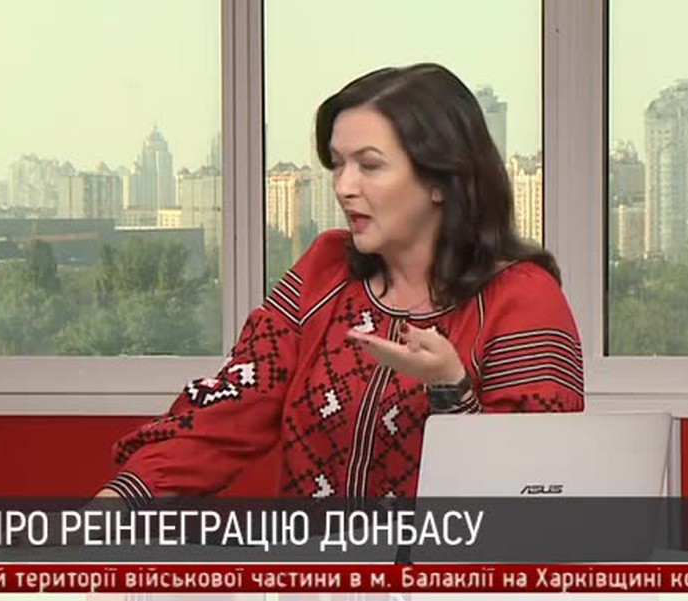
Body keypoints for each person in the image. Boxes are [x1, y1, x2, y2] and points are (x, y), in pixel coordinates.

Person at [97, 63, 583, 504]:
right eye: (337, 164)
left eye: (369, 165)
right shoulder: (324, 270)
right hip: (310, 573)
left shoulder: (523, 299)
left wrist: (450, 390)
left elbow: (536, 494)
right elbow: (227, 411)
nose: (344, 186)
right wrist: (118, 504)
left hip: (447, 577)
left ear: (441, 181)